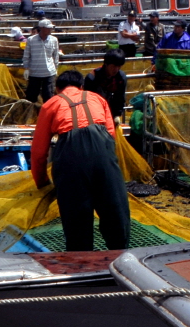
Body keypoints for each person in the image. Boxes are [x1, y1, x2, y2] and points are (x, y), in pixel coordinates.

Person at [30, 69, 130, 251]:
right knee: (115, 208)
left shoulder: (50, 104)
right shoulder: (98, 98)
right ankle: (122, 255)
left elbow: (38, 152)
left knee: (76, 218)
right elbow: (111, 135)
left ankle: (81, 263)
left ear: (57, 89)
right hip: (103, 151)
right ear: (81, 86)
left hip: (69, 155)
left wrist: (43, 182)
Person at [22, 18, 61, 105]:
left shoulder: (54, 40)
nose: (50, 29)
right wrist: (26, 68)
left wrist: (56, 68)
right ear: (41, 28)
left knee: (48, 96)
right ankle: (31, 115)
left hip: (49, 72)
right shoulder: (31, 40)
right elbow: (26, 55)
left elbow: (55, 55)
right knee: (31, 96)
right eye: (48, 28)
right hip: (34, 73)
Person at [84, 49, 128, 122]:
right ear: (106, 64)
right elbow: (88, 101)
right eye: (113, 66)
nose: (116, 69)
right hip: (94, 114)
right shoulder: (92, 78)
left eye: (119, 66)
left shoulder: (120, 78)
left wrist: (116, 115)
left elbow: (120, 98)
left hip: (111, 114)